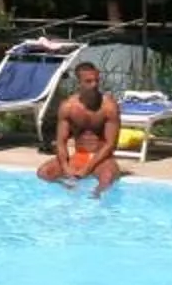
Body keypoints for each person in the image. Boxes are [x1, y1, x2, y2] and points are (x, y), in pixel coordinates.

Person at [39, 61, 123, 194]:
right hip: (79, 156)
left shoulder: (108, 107)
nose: (94, 85)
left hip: (102, 159)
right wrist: (66, 167)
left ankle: (96, 198)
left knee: (107, 178)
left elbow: (110, 144)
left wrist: (87, 169)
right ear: (79, 83)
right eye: (88, 81)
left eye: (96, 81)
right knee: (43, 172)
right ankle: (67, 187)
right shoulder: (68, 107)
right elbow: (61, 142)